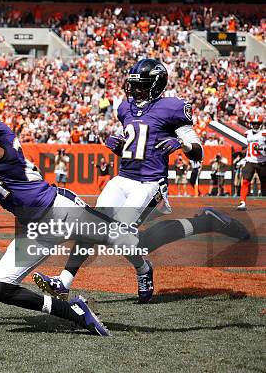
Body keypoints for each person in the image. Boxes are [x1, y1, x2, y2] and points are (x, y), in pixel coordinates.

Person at [0, 91, 249, 337]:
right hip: (40, 226)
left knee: (138, 243)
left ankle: (204, 221)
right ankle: (74, 313)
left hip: (61, 212)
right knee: (0, 287)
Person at [37, 58, 204, 303]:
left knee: (118, 234)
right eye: (132, 84)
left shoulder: (172, 108)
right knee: (91, 225)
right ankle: (63, 282)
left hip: (150, 183)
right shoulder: (125, 108)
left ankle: (143, 268)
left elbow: (198, 152)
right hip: (123, 178)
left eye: (140, 85)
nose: (133, 89)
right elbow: (137, 147)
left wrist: (182, 143)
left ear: (156, 85)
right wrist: (119, 148)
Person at [237, 114, 265, 211]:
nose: (255, 125)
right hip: (250, 161)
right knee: (245, 181)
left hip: (262, 161)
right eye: (254, 123)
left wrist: (262, 148)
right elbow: (249, 146)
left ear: (261, 124)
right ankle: (242, 202)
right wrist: (241, 153)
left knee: (264, 183)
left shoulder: (264, 133)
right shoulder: (247, 133)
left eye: (257, 124)